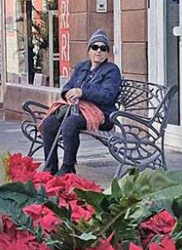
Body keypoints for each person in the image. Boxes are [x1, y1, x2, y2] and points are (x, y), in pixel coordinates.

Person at [40, 29, 123, 175]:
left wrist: (83, 92)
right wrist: (68, 94)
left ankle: (68, 167)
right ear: (89, 50)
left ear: (107, 53)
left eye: (103, 48)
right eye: (95, 47)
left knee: (70, 124)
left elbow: (108, 95)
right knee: (49, 123)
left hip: (102, 114)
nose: (98, 51)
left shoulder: (112, 70)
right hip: (77, 110)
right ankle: (50, 167)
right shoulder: (82, 66)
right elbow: (68, 86)